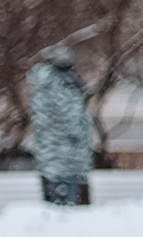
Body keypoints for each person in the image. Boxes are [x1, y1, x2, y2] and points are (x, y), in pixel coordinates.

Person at [27, 47, 94, 206]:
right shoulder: (62, 88)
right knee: (68, 210)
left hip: (50, 156)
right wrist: (84, 127)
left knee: (54, 203)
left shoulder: (43, 88)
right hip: (67, 157)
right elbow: (72, 121)